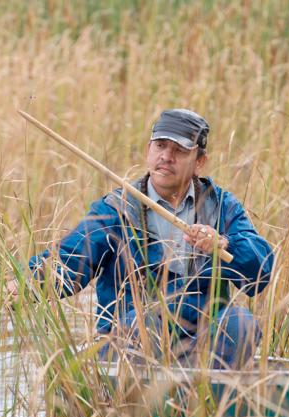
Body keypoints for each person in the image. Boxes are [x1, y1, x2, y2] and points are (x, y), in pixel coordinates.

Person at [28, 109, 273, 369]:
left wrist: (225, 243)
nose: (166, 157)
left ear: (199, 162)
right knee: (146, 325)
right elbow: (69, 263)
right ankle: (142, 403)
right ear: (149, 151)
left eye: (179, 150)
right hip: (130, 343)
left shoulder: (221, 205)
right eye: (160, 146)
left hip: (202, 345)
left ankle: (207, 398)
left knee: (241, 323)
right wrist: (25, 283)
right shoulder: (117, 208)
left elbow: (260, 271)